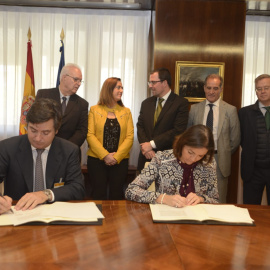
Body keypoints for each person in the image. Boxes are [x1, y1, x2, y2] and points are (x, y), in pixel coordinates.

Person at [0, 98, 85, 214]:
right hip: (18, 214)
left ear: (56, 130)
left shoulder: (69, 150)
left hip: (55, 215)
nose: (38, 138)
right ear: (27, 125)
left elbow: (77, 188)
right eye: (33, 130)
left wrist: (46, 194)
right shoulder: (7, 147)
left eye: (45, 133)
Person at [125, 125, 219, 206]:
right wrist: (163, 198)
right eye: (190, 152)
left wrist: (201, 199)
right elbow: (131, 190)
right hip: (165, 219)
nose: (193, 159)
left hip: (196, 222)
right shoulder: (162, 159)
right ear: (182, 143)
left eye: (200, 155)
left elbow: (215, 200)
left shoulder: (208, 164)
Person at [188, 74, 240, 203]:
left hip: (219, 160)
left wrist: (223, 152)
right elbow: (188, 135)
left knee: (218, 199)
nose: (211, 92)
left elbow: (235, 139)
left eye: (215, 88)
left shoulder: (230, 110)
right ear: (204, 88)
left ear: (221, 89)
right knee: (195, 197)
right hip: (196, 159)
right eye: (209, 88)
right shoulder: (194, 109)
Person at [87, 77, 134, 200]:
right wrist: (105, 155)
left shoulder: (126, 111)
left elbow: (130, 137)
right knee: (98, 194)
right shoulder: (94, 110)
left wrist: (116, 157)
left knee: (117, 195)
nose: (121, 90)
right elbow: (90, 135)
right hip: (96, 160)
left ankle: (116, 220)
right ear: (108, 89)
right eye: (118, 87)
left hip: (120, 161)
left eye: (122, 87)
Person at [137, 67, 189, 172]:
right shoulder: (146, 103)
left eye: (153, 82)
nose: (150, 86)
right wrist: (146, 148)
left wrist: (151, 145)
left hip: (168, 160)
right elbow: (140, 126)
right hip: (145, 158)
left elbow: (178, 131)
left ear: (164, 83)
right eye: (150, 82)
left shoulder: (180, 103)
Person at [36, 63, 88, 148]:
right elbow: (36, 121)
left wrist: (66, 147)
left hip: (69, 151)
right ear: (64, 77)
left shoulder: (82, 104)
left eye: (80, 81)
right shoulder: (43, 95)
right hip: (44, 147)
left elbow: (81, 131)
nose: (79, 84)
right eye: (76, 79)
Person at [239, 74, 270, 205]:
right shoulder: (244, 113)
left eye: (266, 88)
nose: (262, 91)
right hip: (252, 171)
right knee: (251, 211)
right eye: (259, 88)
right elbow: (240, 139)